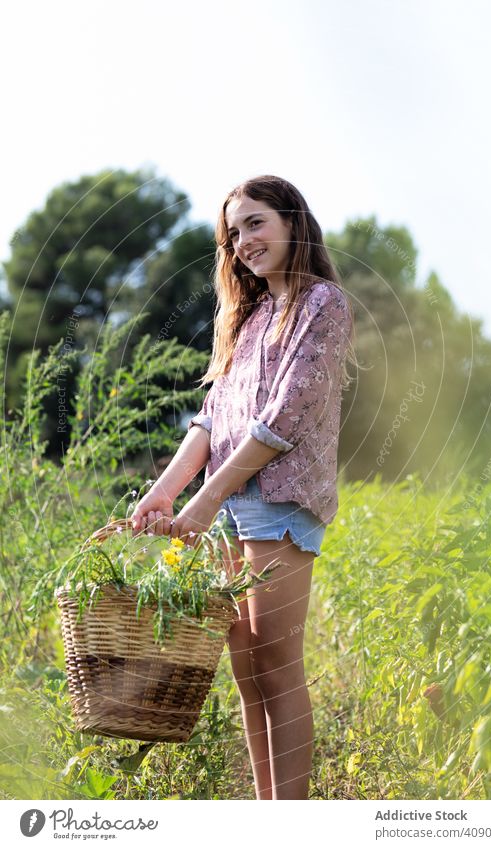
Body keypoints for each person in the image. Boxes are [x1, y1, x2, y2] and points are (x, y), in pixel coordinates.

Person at [131, 174, 357, 800]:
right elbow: (213, 419)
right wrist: (165, 491)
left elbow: (280, 420)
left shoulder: (323, 306)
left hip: (279, 502)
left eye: (255, 223)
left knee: (279, 669)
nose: (244, 242)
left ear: (291, 220)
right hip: (231, 507)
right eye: (233, 234)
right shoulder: (250, 317)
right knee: (247, 673)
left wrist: (202, 503)